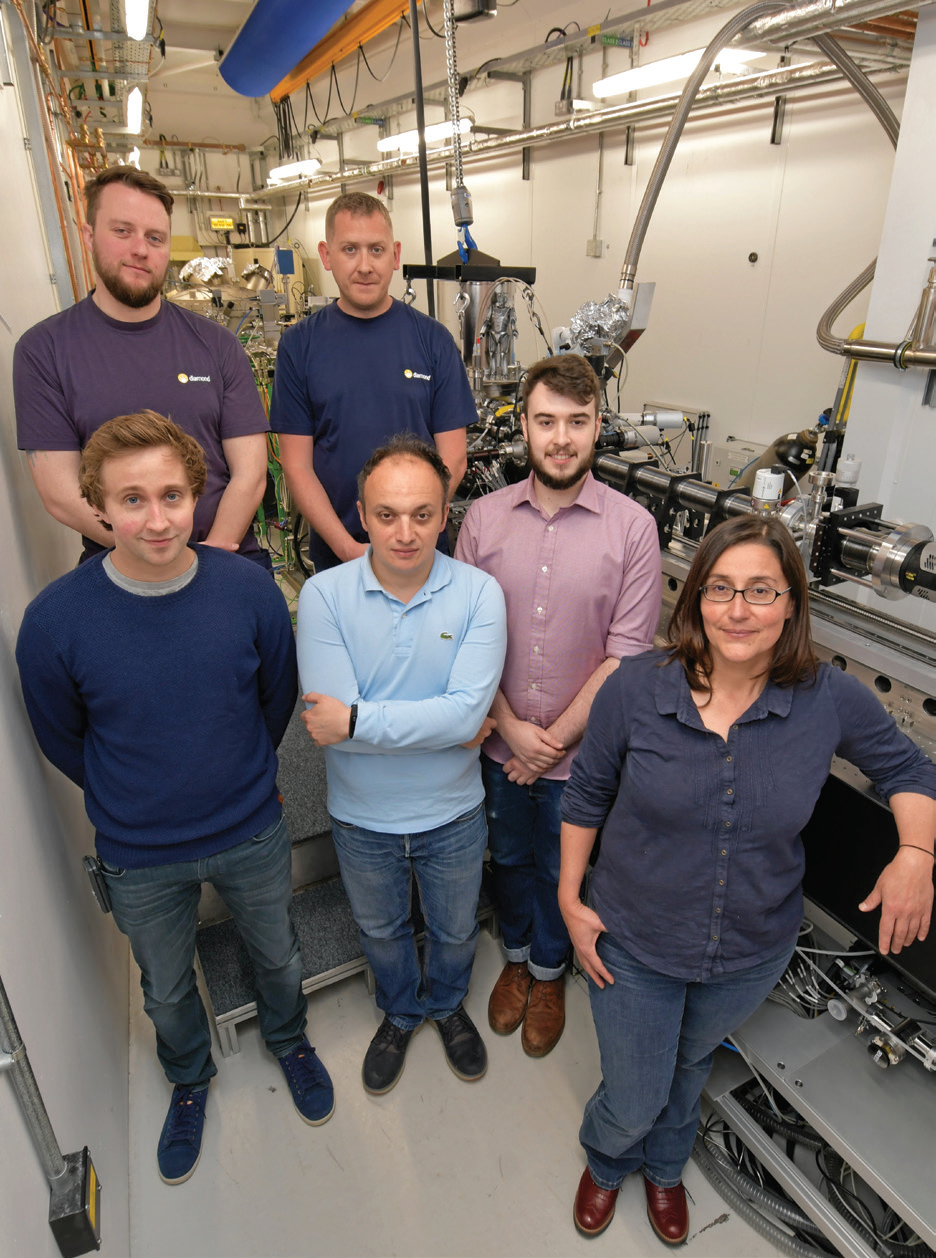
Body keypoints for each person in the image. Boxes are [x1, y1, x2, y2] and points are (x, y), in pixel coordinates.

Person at [558, 514, 936, 1245]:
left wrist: (916, 855)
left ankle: (665, 1168)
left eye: (761, 591)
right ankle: (609, 1158)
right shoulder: (636, 689)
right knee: (636, 1090)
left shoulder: (827, 699)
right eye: (721, 589)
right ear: (695, 598)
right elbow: (585, 797)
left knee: (692, 1062)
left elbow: (909, 768)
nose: (738, 610)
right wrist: (570, 901)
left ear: (792, 602)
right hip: (633, 942)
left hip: (751, 950)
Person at [15, 412, 333, 1187]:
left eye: (171, 495)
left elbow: (274, 697)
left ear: (198, 495)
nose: (155, 519)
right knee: (163, 990)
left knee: (278, 953)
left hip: (249, 826)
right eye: (131, 500)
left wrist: (237, 772)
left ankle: (289, 1040)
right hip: (137, 852)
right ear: (97, 505)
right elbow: (62, 738)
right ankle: (190, 1080)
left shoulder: (247, 591)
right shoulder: (55, 622)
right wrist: (135, 792)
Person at [455, 354, 661, 1057]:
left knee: (563, 866)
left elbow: (627, 654)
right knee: (508, 856)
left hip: (585, 758)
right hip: (499, 744)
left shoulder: (633, 529)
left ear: (598, 426)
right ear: (525, 427)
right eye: (547, 421)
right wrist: (512, 729)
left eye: (578, 422)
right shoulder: (481, 520)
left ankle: (549, 972)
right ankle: (515, 957)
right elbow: (461, 638)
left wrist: (552, 741)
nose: (562, 437)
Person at [296, 433, 506, 1095]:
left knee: (453, 929)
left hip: (453, 815)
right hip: (362, 819)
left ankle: (445, 1006)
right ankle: (401, 1009)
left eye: (422, 514)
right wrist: (442, 722)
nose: (405, 532)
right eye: (387, 515)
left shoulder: (480, 594)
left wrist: (360, 717)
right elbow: (328, 733)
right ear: (362, 514)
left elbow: (463, 718)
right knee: (382, 932)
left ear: (446, 515)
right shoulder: (325, 597)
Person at [13, 165, 270, 567]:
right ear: (88, 236)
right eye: (122, 231)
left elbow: (251, 473)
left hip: (226, 557)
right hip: (117, 567)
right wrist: (151, 552)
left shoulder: (217, 344)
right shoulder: (44, 350)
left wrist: (210, 557)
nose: (140, 248)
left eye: (155, 237)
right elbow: (59, 492)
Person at [269, 191, 472, 571]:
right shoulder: (299, 346)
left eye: (376, 250)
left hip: (424, 555)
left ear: (395, 255)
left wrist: (413, 533)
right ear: (327, 256)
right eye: (350, 250)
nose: (365, 266)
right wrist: (348, 549)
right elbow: (297, 467)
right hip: (340, 557)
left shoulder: (433, 340)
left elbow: (454, 458)